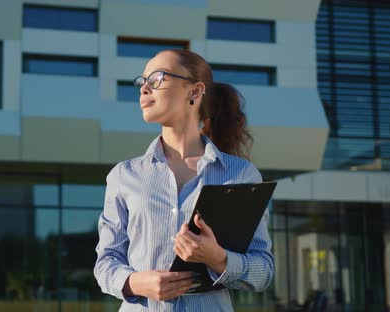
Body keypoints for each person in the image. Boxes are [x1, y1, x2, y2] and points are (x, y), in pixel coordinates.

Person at [93, 49, 274, 311]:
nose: (144, 89)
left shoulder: (241, 175)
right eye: (142, 81)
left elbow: (264, 270)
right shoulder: (124, 176)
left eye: (156, 79)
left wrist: (219, 259)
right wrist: (135, 282)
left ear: (194, 91)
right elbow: (106, 262)